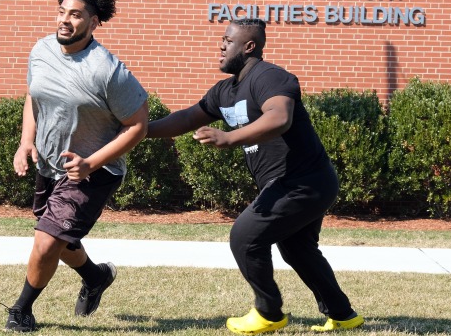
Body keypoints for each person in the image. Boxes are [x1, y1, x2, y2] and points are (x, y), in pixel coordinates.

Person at [146, 18, 364, 334]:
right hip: (291, 183)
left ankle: (268, 313)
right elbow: (186, 118)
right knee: (298, 250)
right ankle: (343, 315)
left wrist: (230, 138)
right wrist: (139, 131)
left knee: (245, 238)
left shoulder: (270, 77)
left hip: (304, 181)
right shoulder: (225, 91)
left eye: (227, 40)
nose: (220, 45)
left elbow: (280, 117)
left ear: (249, 46)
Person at [4, 0, 148, 332]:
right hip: (51, 165)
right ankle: (96, 277)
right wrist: (27, 141)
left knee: (47, 240)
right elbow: (33, 96)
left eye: (77, 15)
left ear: (94, 22)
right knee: (58, 235)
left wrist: (91, 163)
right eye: (61, 12)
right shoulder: (40, 50)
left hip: (94, 171)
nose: (65, 20)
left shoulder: (108, 71)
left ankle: (21, 312)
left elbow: (138, 125)